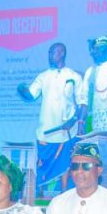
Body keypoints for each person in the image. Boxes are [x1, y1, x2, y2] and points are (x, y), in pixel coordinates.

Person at [18, 43, 83, 195]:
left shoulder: (73, 76)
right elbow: (31, 95)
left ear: (62, 53)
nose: (49, 55)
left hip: (66, 131)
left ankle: (64, 194)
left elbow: (82, 103)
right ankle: (39, 195)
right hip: (46, 132)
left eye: (52, 52)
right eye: (48, 53)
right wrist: (22, 90)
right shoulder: (43, 76)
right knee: (42, 165)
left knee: (64, 164)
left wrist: (74, 120)